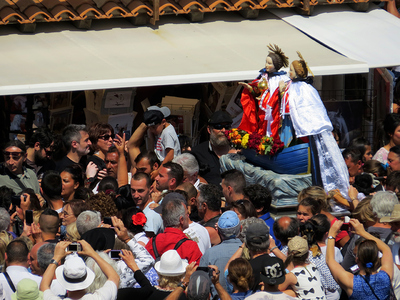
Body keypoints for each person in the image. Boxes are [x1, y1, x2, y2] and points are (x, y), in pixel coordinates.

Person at [326, 219, 394, 300]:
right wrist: (362, 232)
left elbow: (330, 260)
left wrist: (331, 234)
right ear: (377, 258)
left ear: (357, 259)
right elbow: (386, 249)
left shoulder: (351, 282)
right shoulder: (385, 277)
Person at [238, 44, 290, 138]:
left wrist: (281, 91)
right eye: (266, 62)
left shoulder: (282, 79)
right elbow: (257, 92)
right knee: (261, 129)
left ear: (276, 65)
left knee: (271, 130)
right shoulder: (263, 76)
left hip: (274, 112)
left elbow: (285, 98)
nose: (266, 65)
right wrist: (250, 88)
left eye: (269, 63)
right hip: (262, 111)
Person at [39, 240, 120, 300]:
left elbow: (44, 286)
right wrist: (92, 253)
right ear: (87, 277)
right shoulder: (99, 297)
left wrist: (56, 257)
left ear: (64, 279)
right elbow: (114, 277)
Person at [146, 198, 202, 265]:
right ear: (181, 220)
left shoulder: (152, 242)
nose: (188, 216)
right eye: (187, 214)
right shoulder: (190, 246)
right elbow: (196, 273)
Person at [117, 249, 190, 300]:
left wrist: (133, 266)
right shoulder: (185, 296)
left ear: (158, 272)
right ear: (182, 274)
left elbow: (145, 284)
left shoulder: (148, 292)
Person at [199, 211, 242, 296]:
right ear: (240, 228)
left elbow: (201, 285)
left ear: (218, 231)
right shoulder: (250, 251)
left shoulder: (209, 254)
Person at [191, 111, 233, 186]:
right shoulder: (197, 152)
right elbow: (189, 175)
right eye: (218, 126)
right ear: (209, 129)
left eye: (227, 127)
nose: (223, 130)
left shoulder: (239, 151)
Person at [144, 106, 181, 172]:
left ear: (163, 122)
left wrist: (158, 171)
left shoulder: (167, 133)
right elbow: (152, 148)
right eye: (150, 128)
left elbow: (170, 155)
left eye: (154, 127)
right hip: (160, 164)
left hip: (169, 168)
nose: (152, 130)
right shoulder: (160, 129)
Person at [243, 184, 280, 249]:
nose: (242, 206)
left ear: (259, 208)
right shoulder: (271, 223)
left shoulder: (264, 230)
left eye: (246, 203)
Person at [130, 172, 163, 236]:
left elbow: (147, 243)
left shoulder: (151, 214)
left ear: (150, 189)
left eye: (140, 191)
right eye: (133, 191)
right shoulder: (139, 209)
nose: (136, 195)